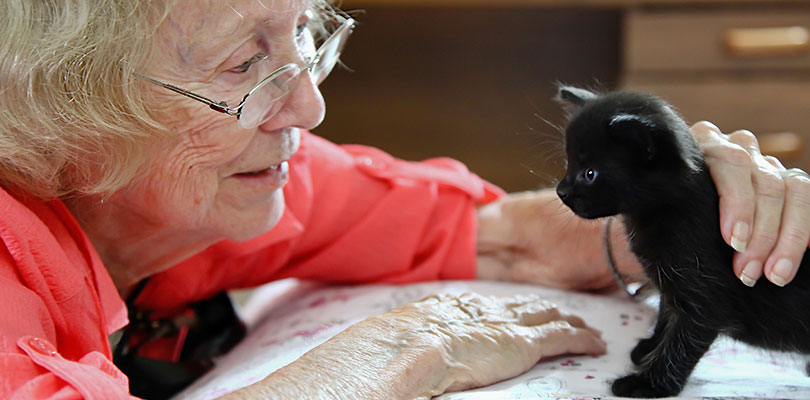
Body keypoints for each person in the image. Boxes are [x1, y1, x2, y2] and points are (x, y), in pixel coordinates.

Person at [1, 0, 809, 399]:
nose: (310, 110)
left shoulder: (195, 188)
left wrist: (680, 217)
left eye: (306, 38)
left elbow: (494, 237)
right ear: (58, 101)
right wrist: (375, 359)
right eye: (241, 69)